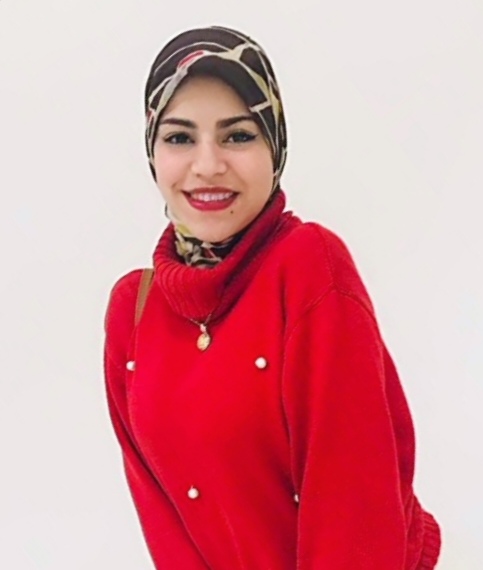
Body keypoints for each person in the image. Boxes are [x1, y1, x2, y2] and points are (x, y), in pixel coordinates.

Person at [103, 25, 441, 569]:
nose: (207, 165)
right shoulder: (134, 310)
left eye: (238, 136)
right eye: (180, 138)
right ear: (152, 150)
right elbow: (165, 525)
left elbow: (355, 505)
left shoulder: (308, 266)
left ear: (275, 144)